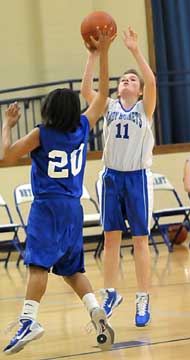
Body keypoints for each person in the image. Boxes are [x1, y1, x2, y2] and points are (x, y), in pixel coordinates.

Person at [1, 29, 116, 355]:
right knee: (71, 270)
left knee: (38, 267)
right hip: (73, 208)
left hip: (47, 208)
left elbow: (4, 157)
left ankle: (29, 320)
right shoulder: (83, 127)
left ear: (49, 111)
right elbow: (102, 95)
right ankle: (96, 310)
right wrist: (100, 54)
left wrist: (7, 126)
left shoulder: (41, 134)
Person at [81, 26, 156, 327]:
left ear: (138, 91)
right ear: (117, 89)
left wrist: (135, 50)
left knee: (140, 240)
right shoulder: (108, 105)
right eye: (123, 79)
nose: (127, 81)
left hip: (137, 178)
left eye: (131, 80)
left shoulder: (144, 108)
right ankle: (111, 292)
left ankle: (143, 297)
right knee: (110, 239)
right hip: (111, 177)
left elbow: (151, 80)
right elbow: (87, 91)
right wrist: (93, 56)